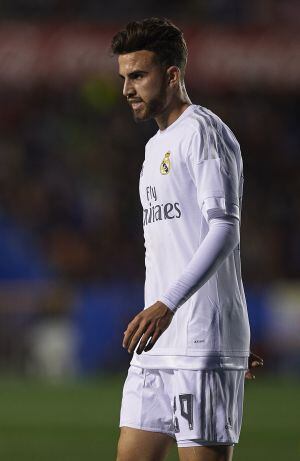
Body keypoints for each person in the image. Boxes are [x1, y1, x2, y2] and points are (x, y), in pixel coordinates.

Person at [111, 18, 263, 461]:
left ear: (172, 74)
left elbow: (224, 228)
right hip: (157, 343)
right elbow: (172, 241)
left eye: (137, 75)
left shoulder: (204, 132)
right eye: (124, 77)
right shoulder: (154, 147)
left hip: (196, 341)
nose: (126, 89)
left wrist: (176, 308)